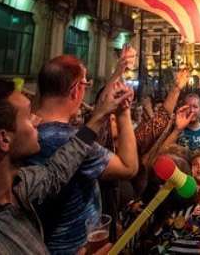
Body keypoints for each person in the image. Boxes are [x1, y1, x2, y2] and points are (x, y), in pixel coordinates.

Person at [0, 80, 129, 254]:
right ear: (4, 139)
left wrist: (100, 115)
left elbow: (56, 172)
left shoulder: (17, 186)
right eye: (28, 116)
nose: (37, 121)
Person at [27, 54, 138, 255]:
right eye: (85, 85)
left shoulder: (26, 132)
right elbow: (128, 167)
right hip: (76, 248)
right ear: (76, 90)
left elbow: (94, 121)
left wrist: (117, 74)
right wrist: (123, 112)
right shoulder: (67, 139)